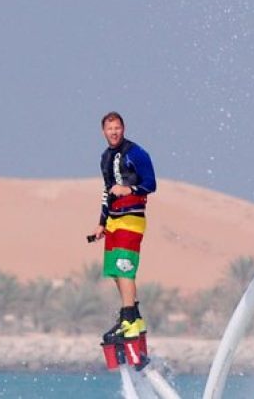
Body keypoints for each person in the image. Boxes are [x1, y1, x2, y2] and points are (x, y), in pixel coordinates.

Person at [91, 111, 156, 342]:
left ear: (123, 128)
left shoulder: (136, 153)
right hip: (113, 221)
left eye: (117, 128)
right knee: (115, 271)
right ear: (103, 132)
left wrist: (129, 190)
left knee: (124, 267)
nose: (114, 132)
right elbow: (106, 191)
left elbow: (151, 183)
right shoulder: (105, 158)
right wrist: (101, 222)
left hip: (132, 219)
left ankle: (128, 320)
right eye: (110, 129)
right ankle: (133, 316)